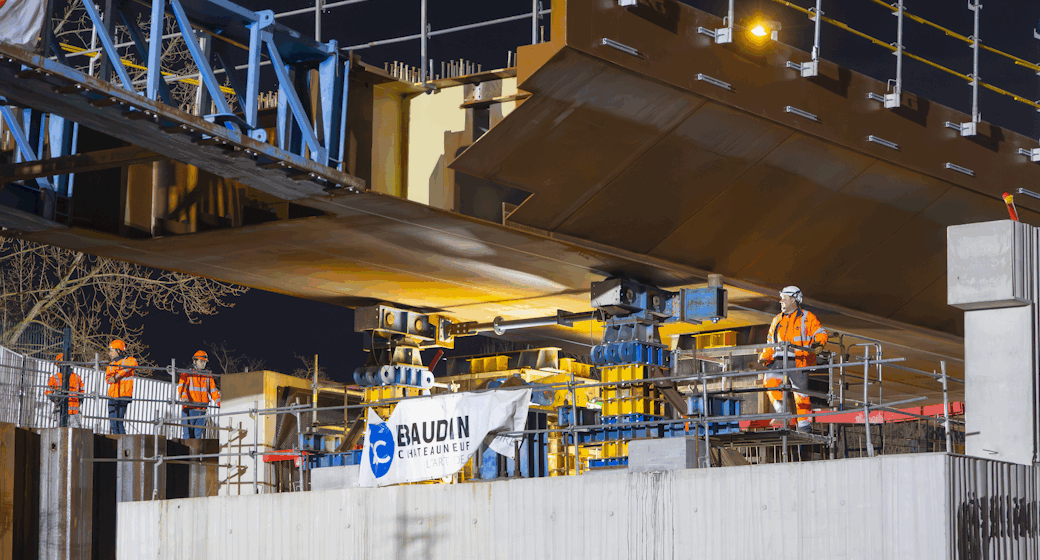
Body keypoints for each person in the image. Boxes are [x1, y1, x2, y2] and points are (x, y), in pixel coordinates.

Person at [758, 286, 828, 433]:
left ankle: (803, 425)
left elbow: (820, 333)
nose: (781, 301)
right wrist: (765, 356)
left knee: (800, 394)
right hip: (779, 360)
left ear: (793, 300)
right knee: (770, 380)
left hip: (799, 360)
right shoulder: (777, 320)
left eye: (784, 299)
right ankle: (781, 410)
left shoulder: (807, 317)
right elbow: (770, 342)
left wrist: (818, 344)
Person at [178, 350, 220, 439]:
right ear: (194, 361)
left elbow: (214, 391)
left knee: (198, 438)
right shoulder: (186, 374)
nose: (203, 364)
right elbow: (182, 388)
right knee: (187, 437)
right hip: (189, 409)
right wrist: (184, 398)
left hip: (202, 411)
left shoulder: (208, 376)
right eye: (201, 361)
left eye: (204, 362)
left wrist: (221, 403)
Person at [105, 339, 137, 435]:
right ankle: (117, 440)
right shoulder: (111, 365)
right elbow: (108, 378)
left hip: (123, 395)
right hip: (112, 396)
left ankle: (121, 441)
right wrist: (112, 378)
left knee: (119, 423)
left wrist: (118, 375)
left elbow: (134, 363)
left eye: (111, 351)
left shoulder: (128, 360)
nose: (110, 353)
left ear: (118, 351)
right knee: (113, 424)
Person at [45, 353, 84, 429]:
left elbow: (81, 392)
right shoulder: (55, 377)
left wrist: (79, 400)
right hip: (62, 411)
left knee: (70, 432)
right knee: (65, 431)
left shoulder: (76, 377)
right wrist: (57, 399)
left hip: (73, 412)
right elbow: (48, 392)